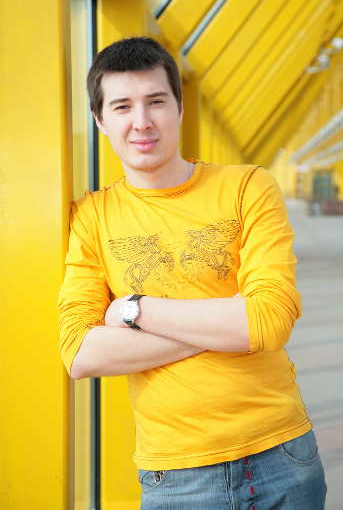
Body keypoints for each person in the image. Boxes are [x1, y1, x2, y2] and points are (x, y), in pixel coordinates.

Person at [58, 37, 326, 509]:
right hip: (177, 475)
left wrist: (136, 310)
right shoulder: (92, 217)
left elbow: (269, 321)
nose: (141, 122)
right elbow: (80, 353)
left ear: (179, 108)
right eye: (122, 106)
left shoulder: (247, 187)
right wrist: (231, 326)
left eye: (156, 101)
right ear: (100, 121)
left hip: (282, 452)